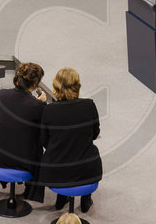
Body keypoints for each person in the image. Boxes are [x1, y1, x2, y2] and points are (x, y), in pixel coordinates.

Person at [39, 67, 102, 213]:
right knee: (90, 151)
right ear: (77, 85)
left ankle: (61, 197)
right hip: (87, 171)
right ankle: (86, 199)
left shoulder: (48, 110)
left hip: (56, 173)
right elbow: (95, 133)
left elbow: (44, 141)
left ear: (56, 86)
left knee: (61, 154)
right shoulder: (89, 105)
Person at [0, 62, 47, 201]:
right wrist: (42, 104)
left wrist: (36, 103)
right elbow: (43, 133)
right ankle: (31, 191)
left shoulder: (1, 95)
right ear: (35, 83)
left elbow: (18, 110)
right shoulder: (37, 106)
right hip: (24, 163)